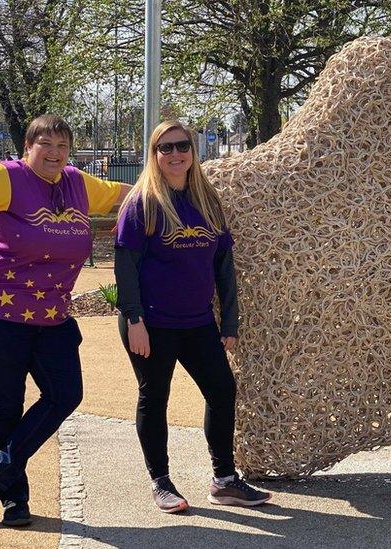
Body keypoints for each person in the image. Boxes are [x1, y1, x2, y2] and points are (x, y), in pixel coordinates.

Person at [0, 114, 130, 527]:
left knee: (65, 393)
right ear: (28, 147)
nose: (55, 153)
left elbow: (126, 194)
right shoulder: (4, 177)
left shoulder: (78, 183)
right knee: (6, 404)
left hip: (52, 313)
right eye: (46, 144)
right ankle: (14, 499)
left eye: (63, 145)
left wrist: (141, 206)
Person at [114, 120, 271, 513]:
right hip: (151, 323)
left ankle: (224, 480)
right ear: (154, 155)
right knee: (155, 398)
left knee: (222, 391)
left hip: (198, 321)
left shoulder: (207, 201)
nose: (174, 154)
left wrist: (229, 322)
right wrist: (134, 320)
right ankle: (161, 482)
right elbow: (125, 268)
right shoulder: (143, 202)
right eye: (164, 148)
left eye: (182, 145)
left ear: (193, 151)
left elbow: (223, 266)